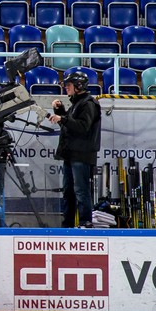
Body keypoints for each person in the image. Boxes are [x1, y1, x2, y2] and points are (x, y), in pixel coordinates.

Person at [48, 71, 101, 228]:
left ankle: (86, 222)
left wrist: (62, 118)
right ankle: (68, 224)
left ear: (79, 86)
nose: (66, 88)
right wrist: (60, 112)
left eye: (69, 85)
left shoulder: (88, 104)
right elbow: (70, 125)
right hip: (71, 155)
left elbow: (82, 127)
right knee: (68, 192)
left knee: (80, 191)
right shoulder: (77, 103)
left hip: (81, 156)